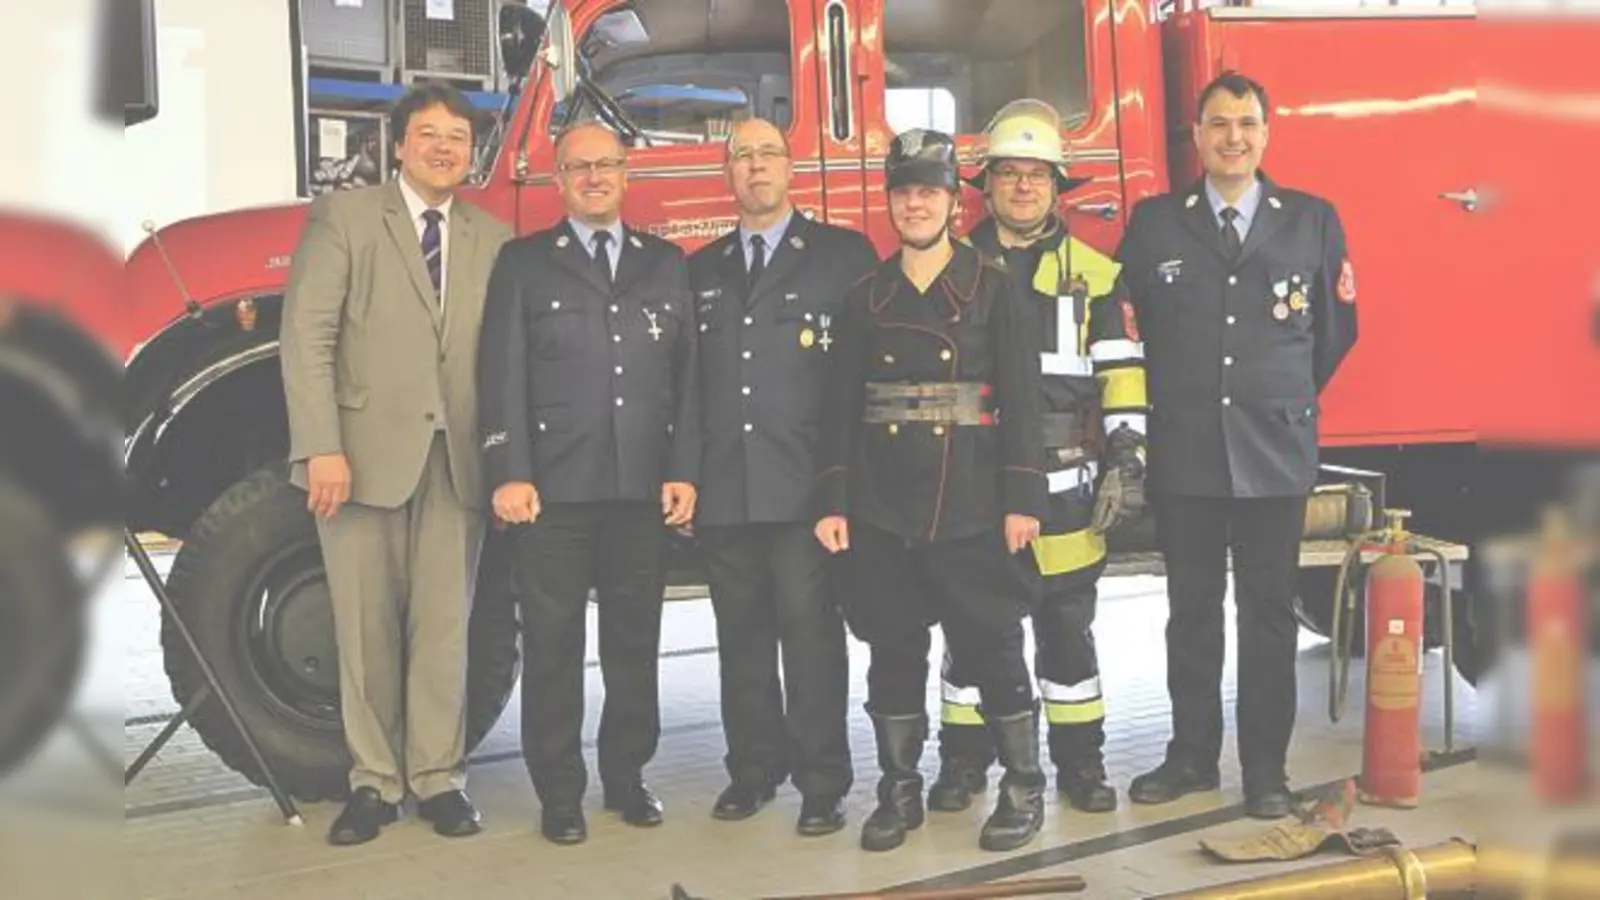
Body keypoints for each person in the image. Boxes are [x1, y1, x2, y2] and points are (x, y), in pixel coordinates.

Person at [1115, 71, 1358, 819]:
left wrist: (1274, 396)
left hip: (1274, 451)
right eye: (1219, 124)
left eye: (1247, 124)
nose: (1233, 138)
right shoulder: (1156, 222)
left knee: (1268, 617)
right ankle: (1191, 757)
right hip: (1186, 451)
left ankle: (1265, 772)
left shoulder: (1313, 220)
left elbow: (1334, 333)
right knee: (1190, 612)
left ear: (1267, 131)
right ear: (1197, 135)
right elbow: (1130, 330)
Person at [280, 82, 513, 845]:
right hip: (359, 461)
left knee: (446, 630)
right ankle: (374, 785)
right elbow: (307, 338)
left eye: (459, 136)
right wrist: (321, 446)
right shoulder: (345, 218)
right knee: (366, 629)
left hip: (458, 461)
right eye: (430, 134)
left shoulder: (491, 235)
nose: (446, 147)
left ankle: (439, 779)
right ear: (401, 144)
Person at [814, 128, 1049, 854]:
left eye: (929, 191)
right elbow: (840, 408)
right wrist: (832, 501)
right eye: (903, 191)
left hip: (974, 504)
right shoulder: (865, 297)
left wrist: (1023, 500)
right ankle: (898, 790)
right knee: (892, 650)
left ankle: (1021, 787)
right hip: (884, 509)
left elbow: (1023, 397)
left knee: (994, 648)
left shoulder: (995, 289)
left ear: (953, 202)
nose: (914, 203)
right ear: (889, 202)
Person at [476, 121, 700, 846]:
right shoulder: (523, 263)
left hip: (640, 491)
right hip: (553, 492)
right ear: (560, 180)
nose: (594, 177)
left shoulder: (667, 264)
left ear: (627, 174)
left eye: (606, 165)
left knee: (635, 644)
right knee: (553, 646)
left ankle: (628, 778)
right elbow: (500, 374)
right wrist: (509, 473)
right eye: (579, 167)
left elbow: (688, 380)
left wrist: (683, 470)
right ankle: (560, 792)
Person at [932, 99, 1148, 816]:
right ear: (984, 185)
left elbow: (1120, 371)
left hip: (1065, 488)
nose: (1023, 187)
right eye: (1008, 174)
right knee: (969, 637)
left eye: (1036, 175)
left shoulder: (1098, 273)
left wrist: (1126, 455)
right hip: (973, 485)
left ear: (1058, 188)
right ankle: (963, 762)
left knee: (1066, 637)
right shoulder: (947, 267)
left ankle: (1081, 766)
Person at [686, 118, 879, 835]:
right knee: (739, 641)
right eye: (742, 156)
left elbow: (862, 381)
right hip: (728, 488)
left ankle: (823, 782)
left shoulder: (841, 255)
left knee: (811, 640)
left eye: (768, 153)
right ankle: (753, 771)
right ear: (728, 173)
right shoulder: (699, 269)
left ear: (791, 167)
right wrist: (688, 478)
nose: (755, 166)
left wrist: (849, 488)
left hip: (807, 492)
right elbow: (688, 387)